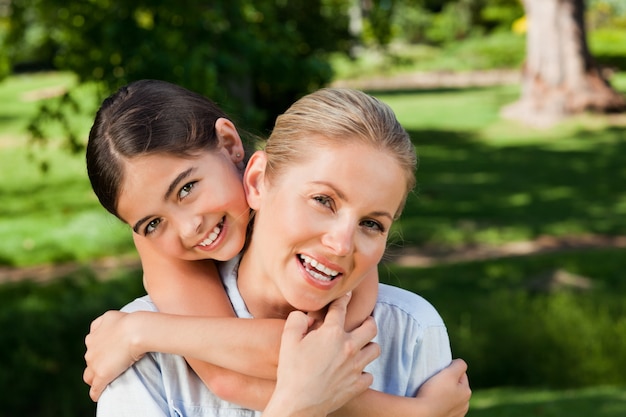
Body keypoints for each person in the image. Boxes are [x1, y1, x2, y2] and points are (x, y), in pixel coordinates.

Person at [84, 81, 471, 417]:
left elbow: (317, 347)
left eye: (187, 188)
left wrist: (140, 332)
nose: (189, 227)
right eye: (152, 223)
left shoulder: (407, 325)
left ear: (235, 149)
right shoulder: (153, 304)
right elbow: (228, 376)